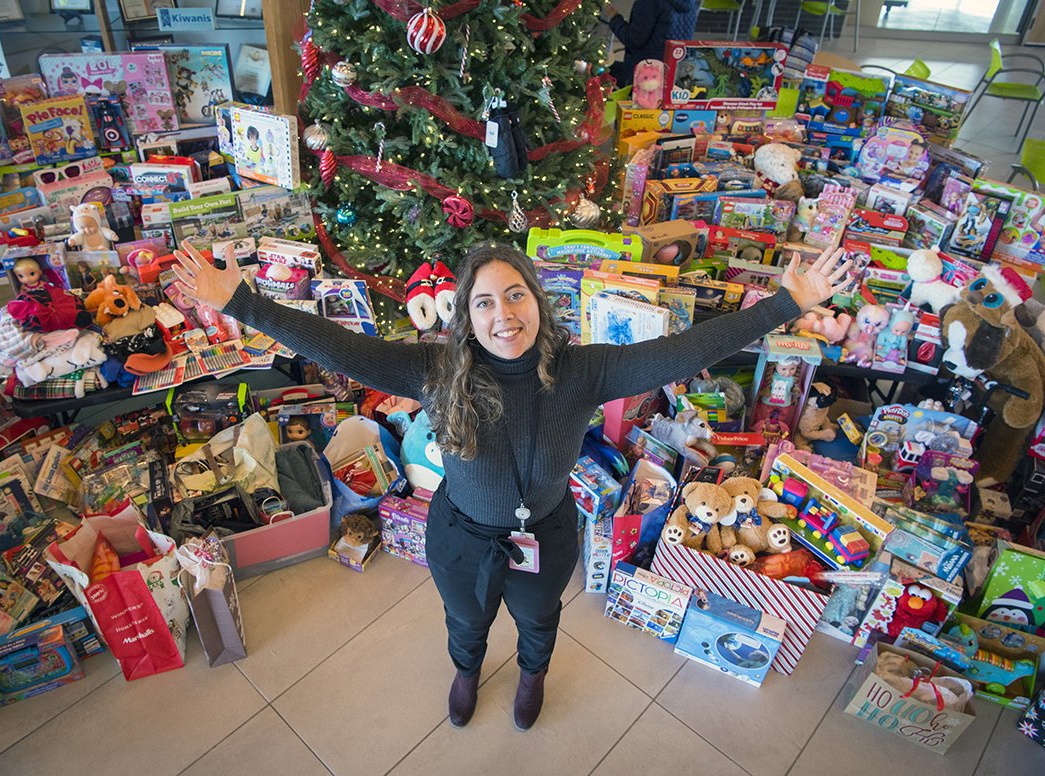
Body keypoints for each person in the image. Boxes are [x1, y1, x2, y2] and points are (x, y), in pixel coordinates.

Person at [172, 239, 851, 731]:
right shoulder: (434, 370)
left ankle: (532, 675)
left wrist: (786, 302)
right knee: (465, 621)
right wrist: (242, 302)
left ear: (537, 300)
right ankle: (466, 672)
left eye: (516, 295)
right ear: (467, 314)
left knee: (538, 617)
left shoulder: (583, 370)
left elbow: (683, 350)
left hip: (546, 533)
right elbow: (338, 347)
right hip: (461, 536)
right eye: (485, 302)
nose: (504, 315)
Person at [602, 0, 700, 86]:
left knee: (602, 72)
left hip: (645, 75)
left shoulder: (649, 2)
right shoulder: (692, 2)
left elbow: (633, 40)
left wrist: (614, 18)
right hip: (675, 76)